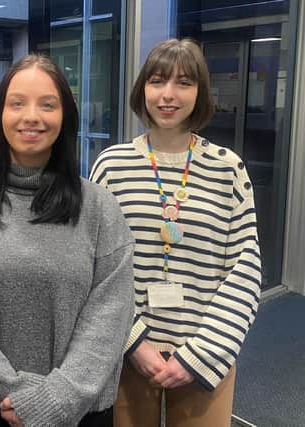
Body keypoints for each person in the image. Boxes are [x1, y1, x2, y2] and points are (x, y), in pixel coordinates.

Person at [0, 54, 135, 427]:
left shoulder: (99, 207)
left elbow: (111, 314)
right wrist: (15, 392)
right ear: (0, 114)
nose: (31, 116)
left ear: (65, 116)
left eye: (47, 104)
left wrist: (58, 399)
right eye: (16, 103)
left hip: (79, 411)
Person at [90, 38, 261, 427]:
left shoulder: (227, 169)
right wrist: (135, 342)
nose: (168, 95)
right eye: (157, 81)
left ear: (200, 92)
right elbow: (95, 267)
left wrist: (199, 354)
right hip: (127, 351)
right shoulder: (112, 166)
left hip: (205, 353)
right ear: (142, 89)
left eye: (183, 82)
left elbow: (245, 269)